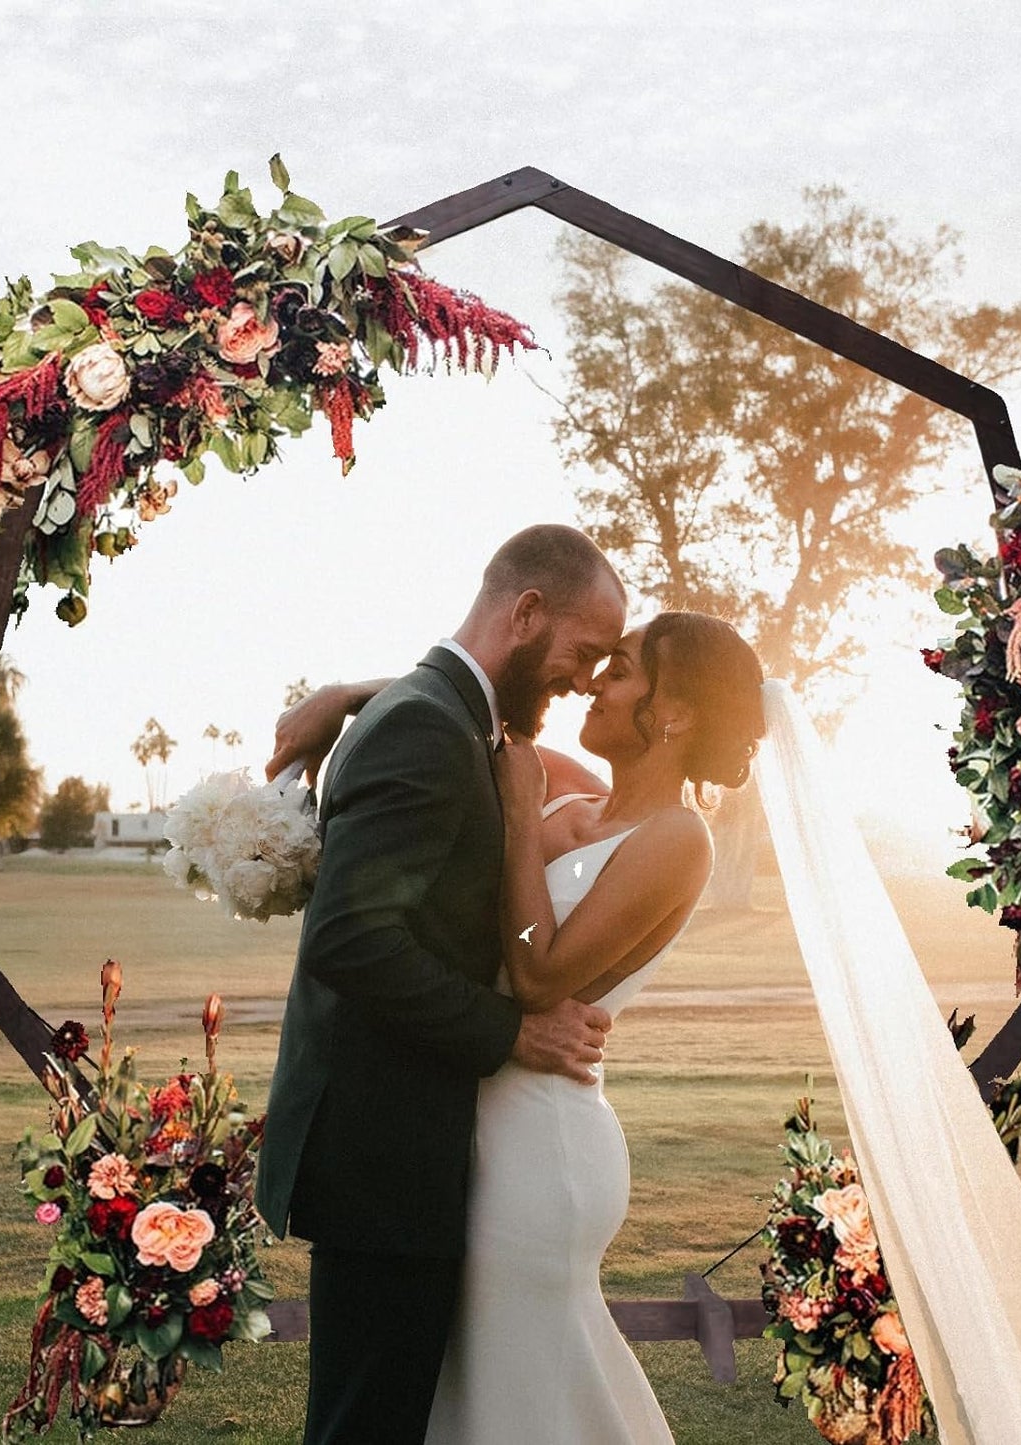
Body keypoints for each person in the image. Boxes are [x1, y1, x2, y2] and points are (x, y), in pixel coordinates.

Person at [274, 611, 767, 1444]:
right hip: (473, 1119)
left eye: (621, 669)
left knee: (521, 1380)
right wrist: (347, 693)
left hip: (543, 1145)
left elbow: (541, 970)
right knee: (470, 1382)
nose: (593, 683)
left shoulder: (678, 839)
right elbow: (469, 709)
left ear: (674, 712)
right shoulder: (574, 788)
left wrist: (515, 812)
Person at [254, 523, 628, 1445]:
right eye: (582, 654)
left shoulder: (443, 712)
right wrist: (512, 1032)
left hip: (395, 1146)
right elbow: (350, 937)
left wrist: (344, 689)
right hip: (384, 1152)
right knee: (364, 1425)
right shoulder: (428, 724)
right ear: (527, 611)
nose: (583, 680)